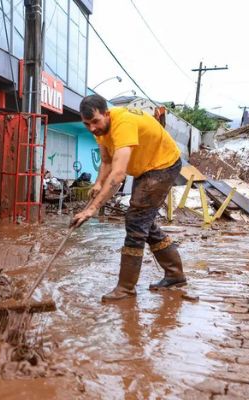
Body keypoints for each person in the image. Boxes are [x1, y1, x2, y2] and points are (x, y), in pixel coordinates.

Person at [71, 94, 186, 302]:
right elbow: (106, 162)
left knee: (135, 222)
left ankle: (125, 289)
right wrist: (98, 183)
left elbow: (118, 175)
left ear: (106, 113)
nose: (92, 128)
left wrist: (91, 209)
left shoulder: (122, 124)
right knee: (144, 223)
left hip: (163, 165)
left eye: (95, 122)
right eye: (86, 124)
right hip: (145, 168)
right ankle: (175, 275)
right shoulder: (100, 130)